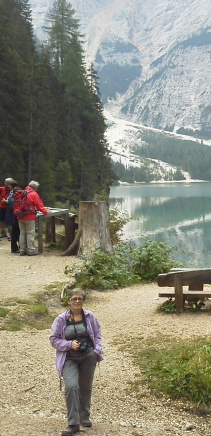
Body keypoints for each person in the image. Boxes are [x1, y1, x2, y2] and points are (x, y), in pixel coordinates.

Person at [50, 288, 103, 436]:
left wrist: (97, 351)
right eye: (74, 298)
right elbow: (53, 340)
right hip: (69, 358)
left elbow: (98, 334)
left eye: (80, 298)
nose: (77, 301)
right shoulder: (61, 319)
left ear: (84, 301)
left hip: (88, 356)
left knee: (85, 387)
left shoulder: (90, 316)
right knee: (72, 386)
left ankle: (84, 416)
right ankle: (73, 423)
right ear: (69, 301)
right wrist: (69, 344)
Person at [15, 180, 48, 256]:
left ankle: (22, 250)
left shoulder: (22, 192)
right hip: (29, 217)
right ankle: (31, 250)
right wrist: (46, 212)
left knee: (22, 233)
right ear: (35, 187)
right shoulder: (33, 194)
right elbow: (39, 205)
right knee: (30, 233)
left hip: (20, 216)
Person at [4, 180, 20, 253]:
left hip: (13, 217)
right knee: (15, 233)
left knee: (15, 232)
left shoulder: (12, 197)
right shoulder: (12, 199)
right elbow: (13, 208)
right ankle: (15, 248)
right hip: (14, 218)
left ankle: (16, 247)